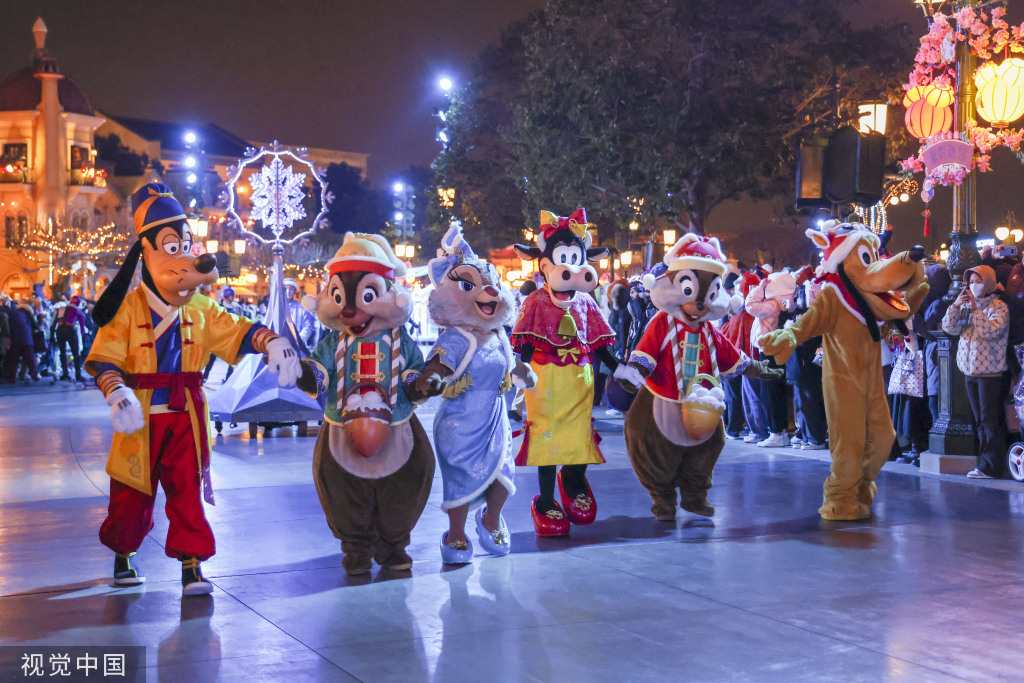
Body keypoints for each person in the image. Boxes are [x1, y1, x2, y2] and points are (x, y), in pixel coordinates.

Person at [942, 265, 1010, 479]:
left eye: (978, 281)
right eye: (970, 282)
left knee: (989, 420)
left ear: (989, 282)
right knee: (979, 420)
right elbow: (949, 329)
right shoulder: (965, 306)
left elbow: (992, 332)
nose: (974, 286)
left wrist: (975, 310)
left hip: (990, 373)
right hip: (969, 370)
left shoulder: (999, 307)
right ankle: (983, 464)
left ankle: (991, 466)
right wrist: (955, 306)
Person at [51, 295, 88, 382]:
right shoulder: (78, 311)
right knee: (76, 353)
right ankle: (78, 375)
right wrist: (84, 340)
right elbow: (82, 328)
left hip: (60, 330)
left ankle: (65, 373)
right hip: (71, 330)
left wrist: (52, 336)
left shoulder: (61, 309)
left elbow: (53, 325)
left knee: (62, 352)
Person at [284, 277, 317, 354]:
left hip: (298, 347)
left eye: (291, 289)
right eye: (286, 289)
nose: (288, 291)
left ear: (295, 292)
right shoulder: (278, 308)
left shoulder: (302, 308)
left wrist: (297, 341)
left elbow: (308, 326)